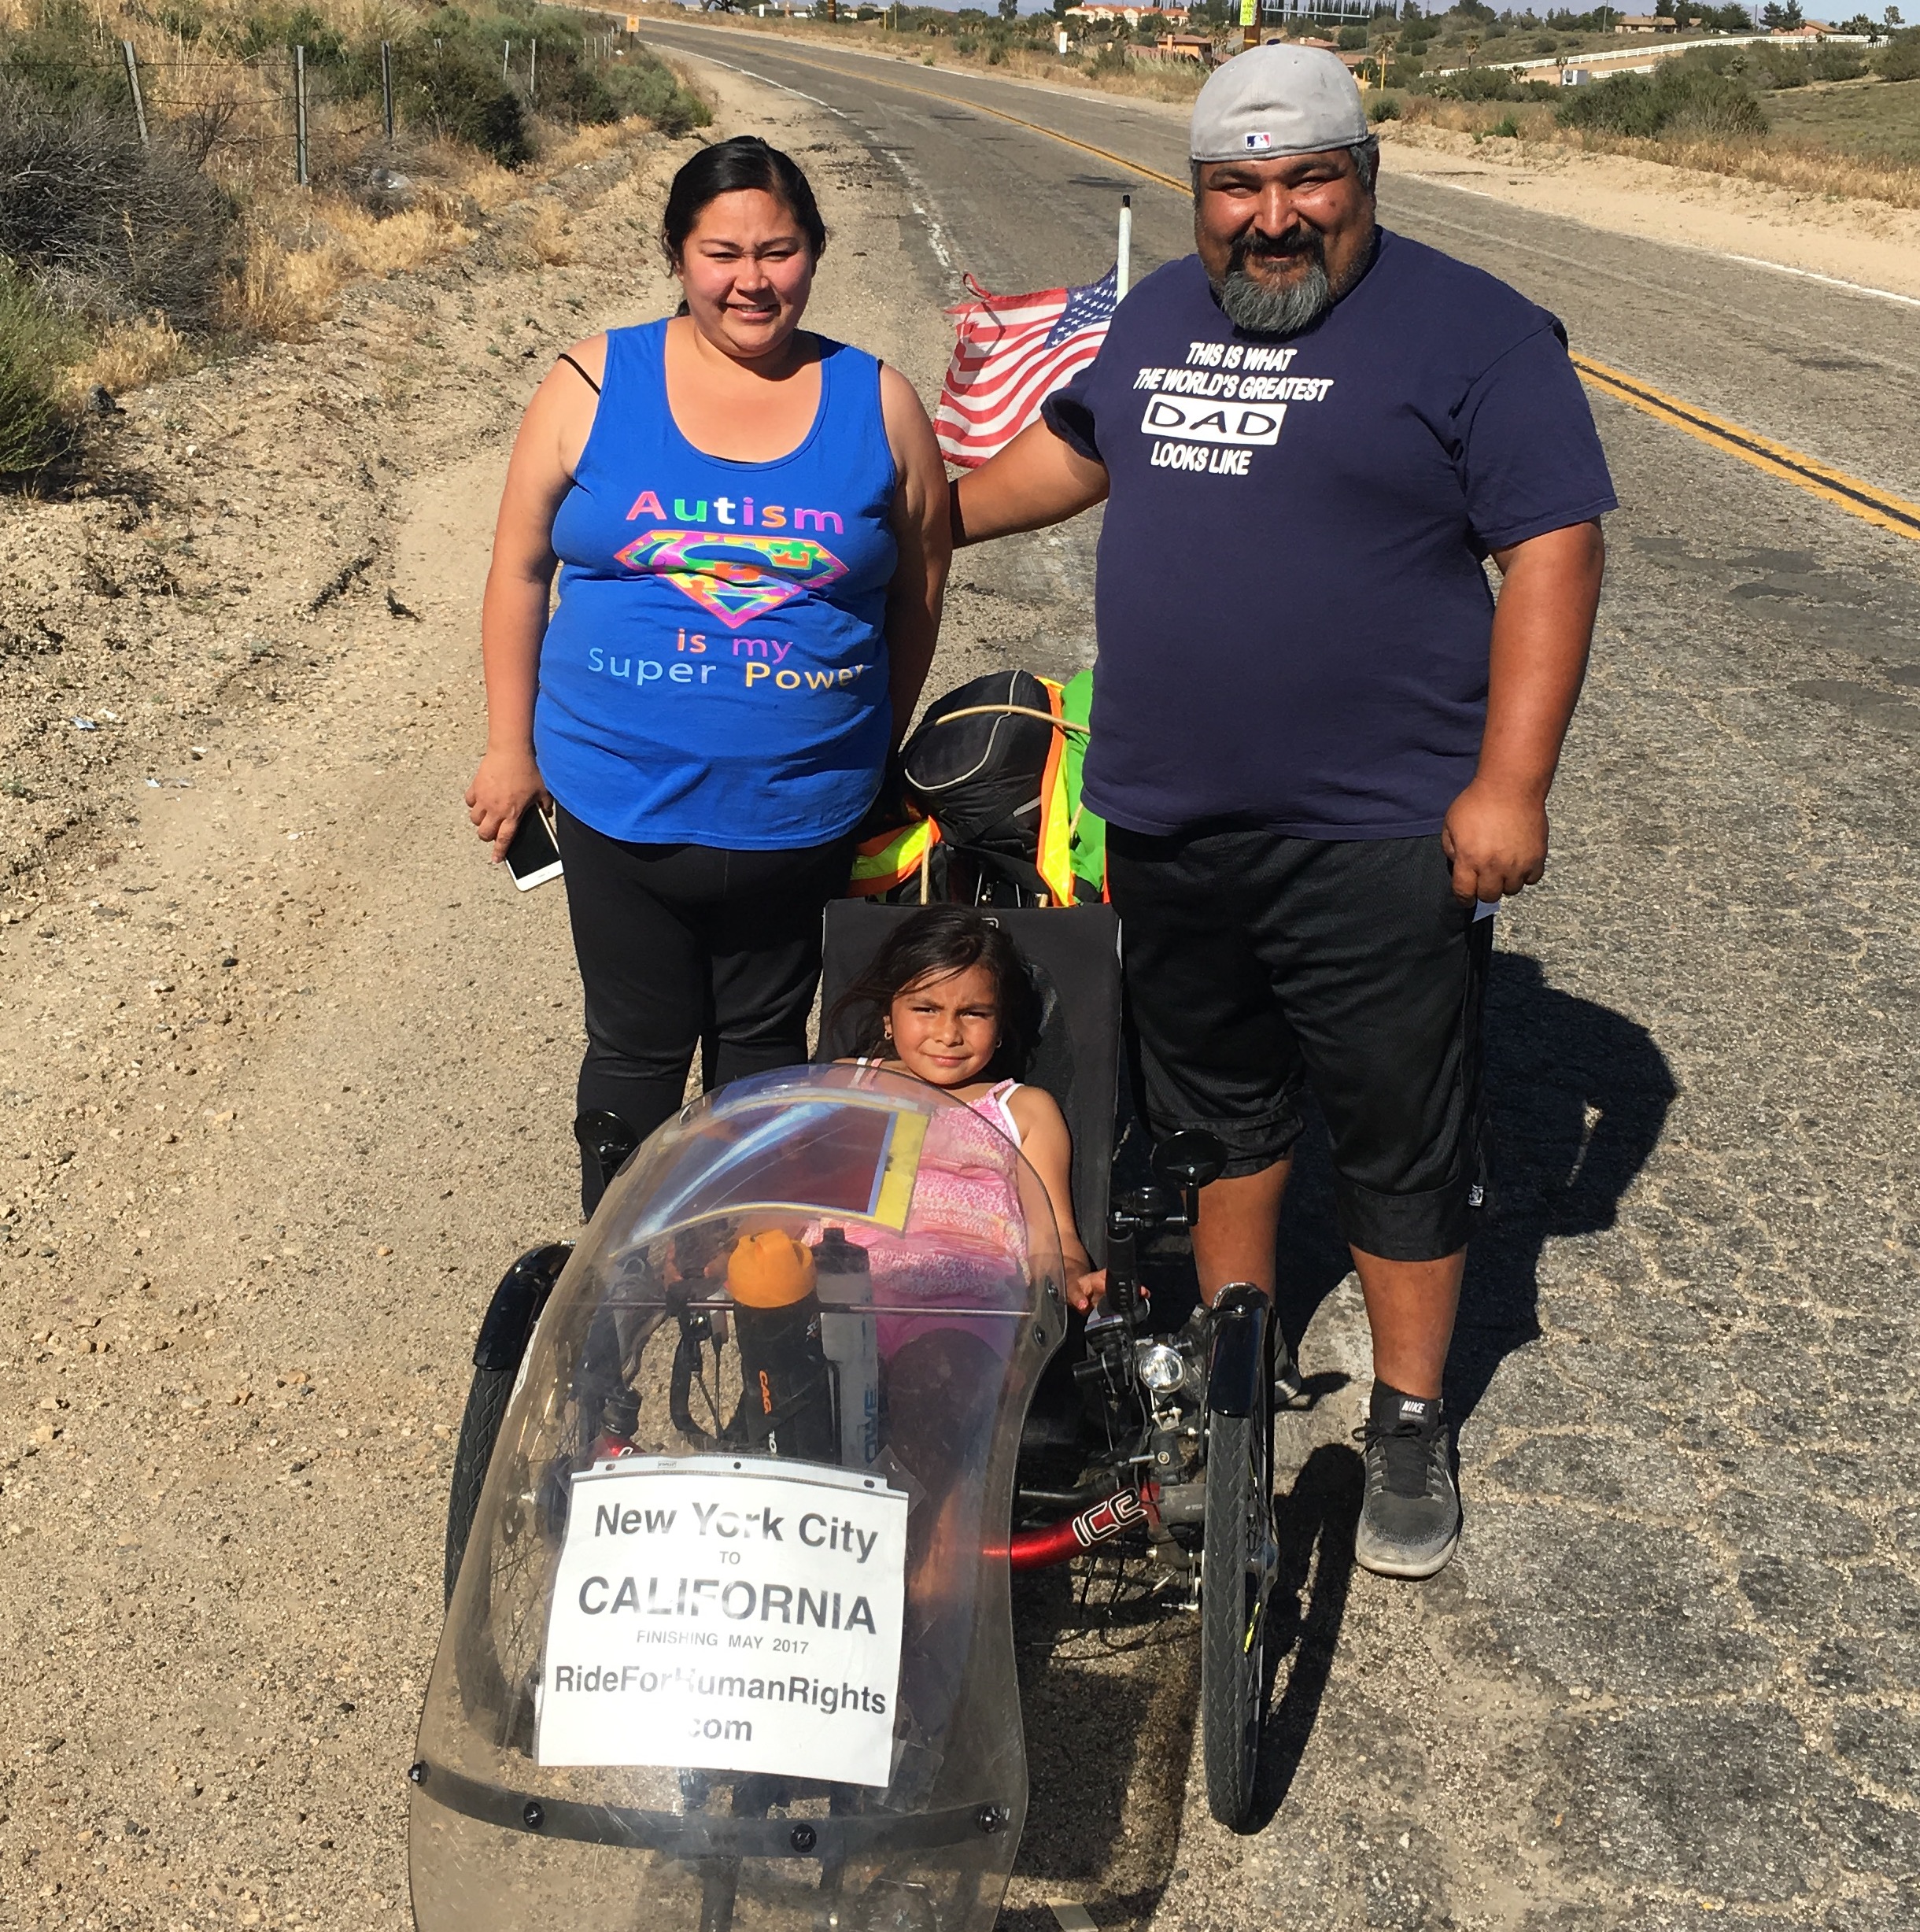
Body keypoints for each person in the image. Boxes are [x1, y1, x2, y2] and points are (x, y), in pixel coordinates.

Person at [951, 46, 1615, 1581]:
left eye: (1307, 179)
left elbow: (1554, 549)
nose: (1271, 216)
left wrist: (1510, 783)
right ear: (1196, 193)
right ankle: (1228, 1368)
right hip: (1168, 816)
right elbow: (1068, 455)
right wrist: (913, 503)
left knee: (1393, 1128)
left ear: (1363, 177)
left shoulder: (1476, 332)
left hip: (1377, 826)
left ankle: (1406, 1413)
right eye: (1235, 186)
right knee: (1214, 1111)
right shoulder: (1159, 315)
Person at [465, 135, 951, 1214]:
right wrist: (508, 747)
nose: (752, 280)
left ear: (814, 250)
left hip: (800, 815)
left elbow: (920, 584)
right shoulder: (594, 379)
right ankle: (623, 1266)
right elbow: (518, 568)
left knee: (763, 1050)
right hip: (614, 801)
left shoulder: (877, 400)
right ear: (678, 255)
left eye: (778, 251)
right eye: (722, 253)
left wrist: (875, 738)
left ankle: (747, 1266)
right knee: (634, 1049)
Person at [827, 905, 1104, 1313]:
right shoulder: (845, 1086)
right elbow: (792, 1194)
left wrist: (1071, 1279)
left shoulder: (1023, 1112)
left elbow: (1055, 1239)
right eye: (926, 1009)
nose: (948, 1034)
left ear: (999, 1024)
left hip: (971, 1310)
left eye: (973, 1013)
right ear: (888, 1015)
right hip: (844, 1298)